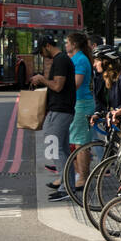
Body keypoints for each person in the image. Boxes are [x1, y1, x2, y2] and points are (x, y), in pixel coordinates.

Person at [29, 33, 75, 201]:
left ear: (47, 46)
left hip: (60, 111)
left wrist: (41, 79)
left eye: (41, 51)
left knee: (54, 149)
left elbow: (57, 85)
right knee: (60, 149)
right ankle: (68, 185)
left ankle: (65, 187)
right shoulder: (60, 59)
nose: (41, 55)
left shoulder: (61, 60)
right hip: (60, 110)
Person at [65, 31, 96, 197]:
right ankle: (80, 175)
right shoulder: (79, 58)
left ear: (74, 44)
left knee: (81, 142)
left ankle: (83, 177)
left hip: (82, 104)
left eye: (67, 42)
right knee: (77, 141)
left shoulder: (81, 60)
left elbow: (76, 83)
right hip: (78, 103)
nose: (65, 45)